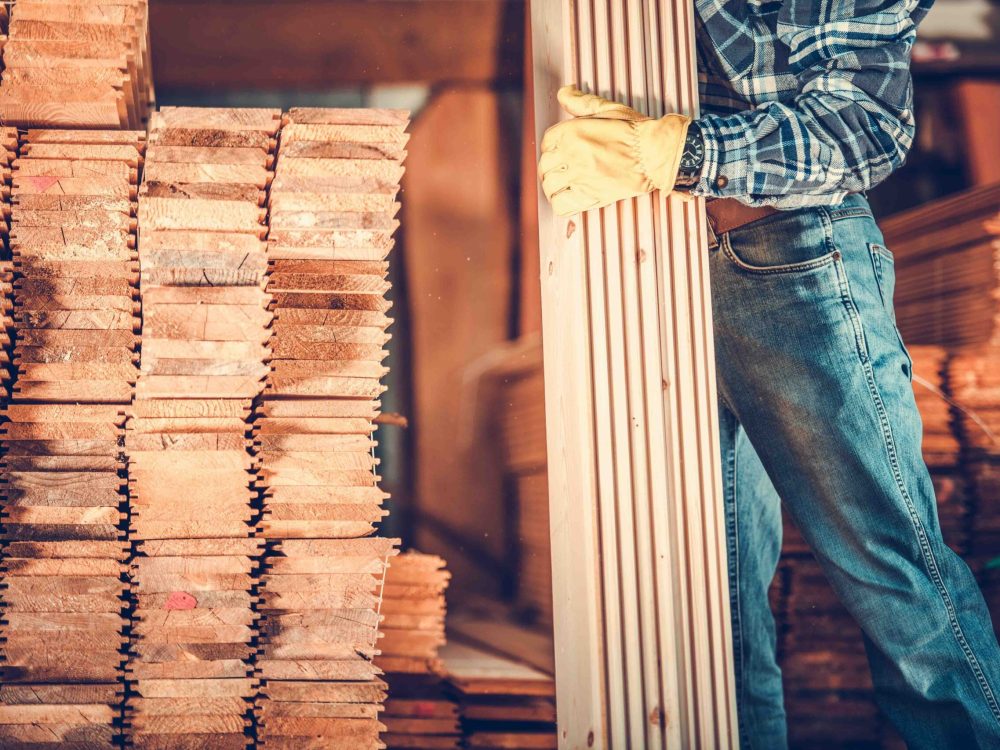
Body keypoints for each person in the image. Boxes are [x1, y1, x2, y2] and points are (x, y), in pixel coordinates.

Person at [537, 1, 1000, 748]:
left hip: (792, 259)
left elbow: (865, 127)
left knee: (893, 576)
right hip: (661, 256)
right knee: (714, 614)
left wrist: (676, 152)